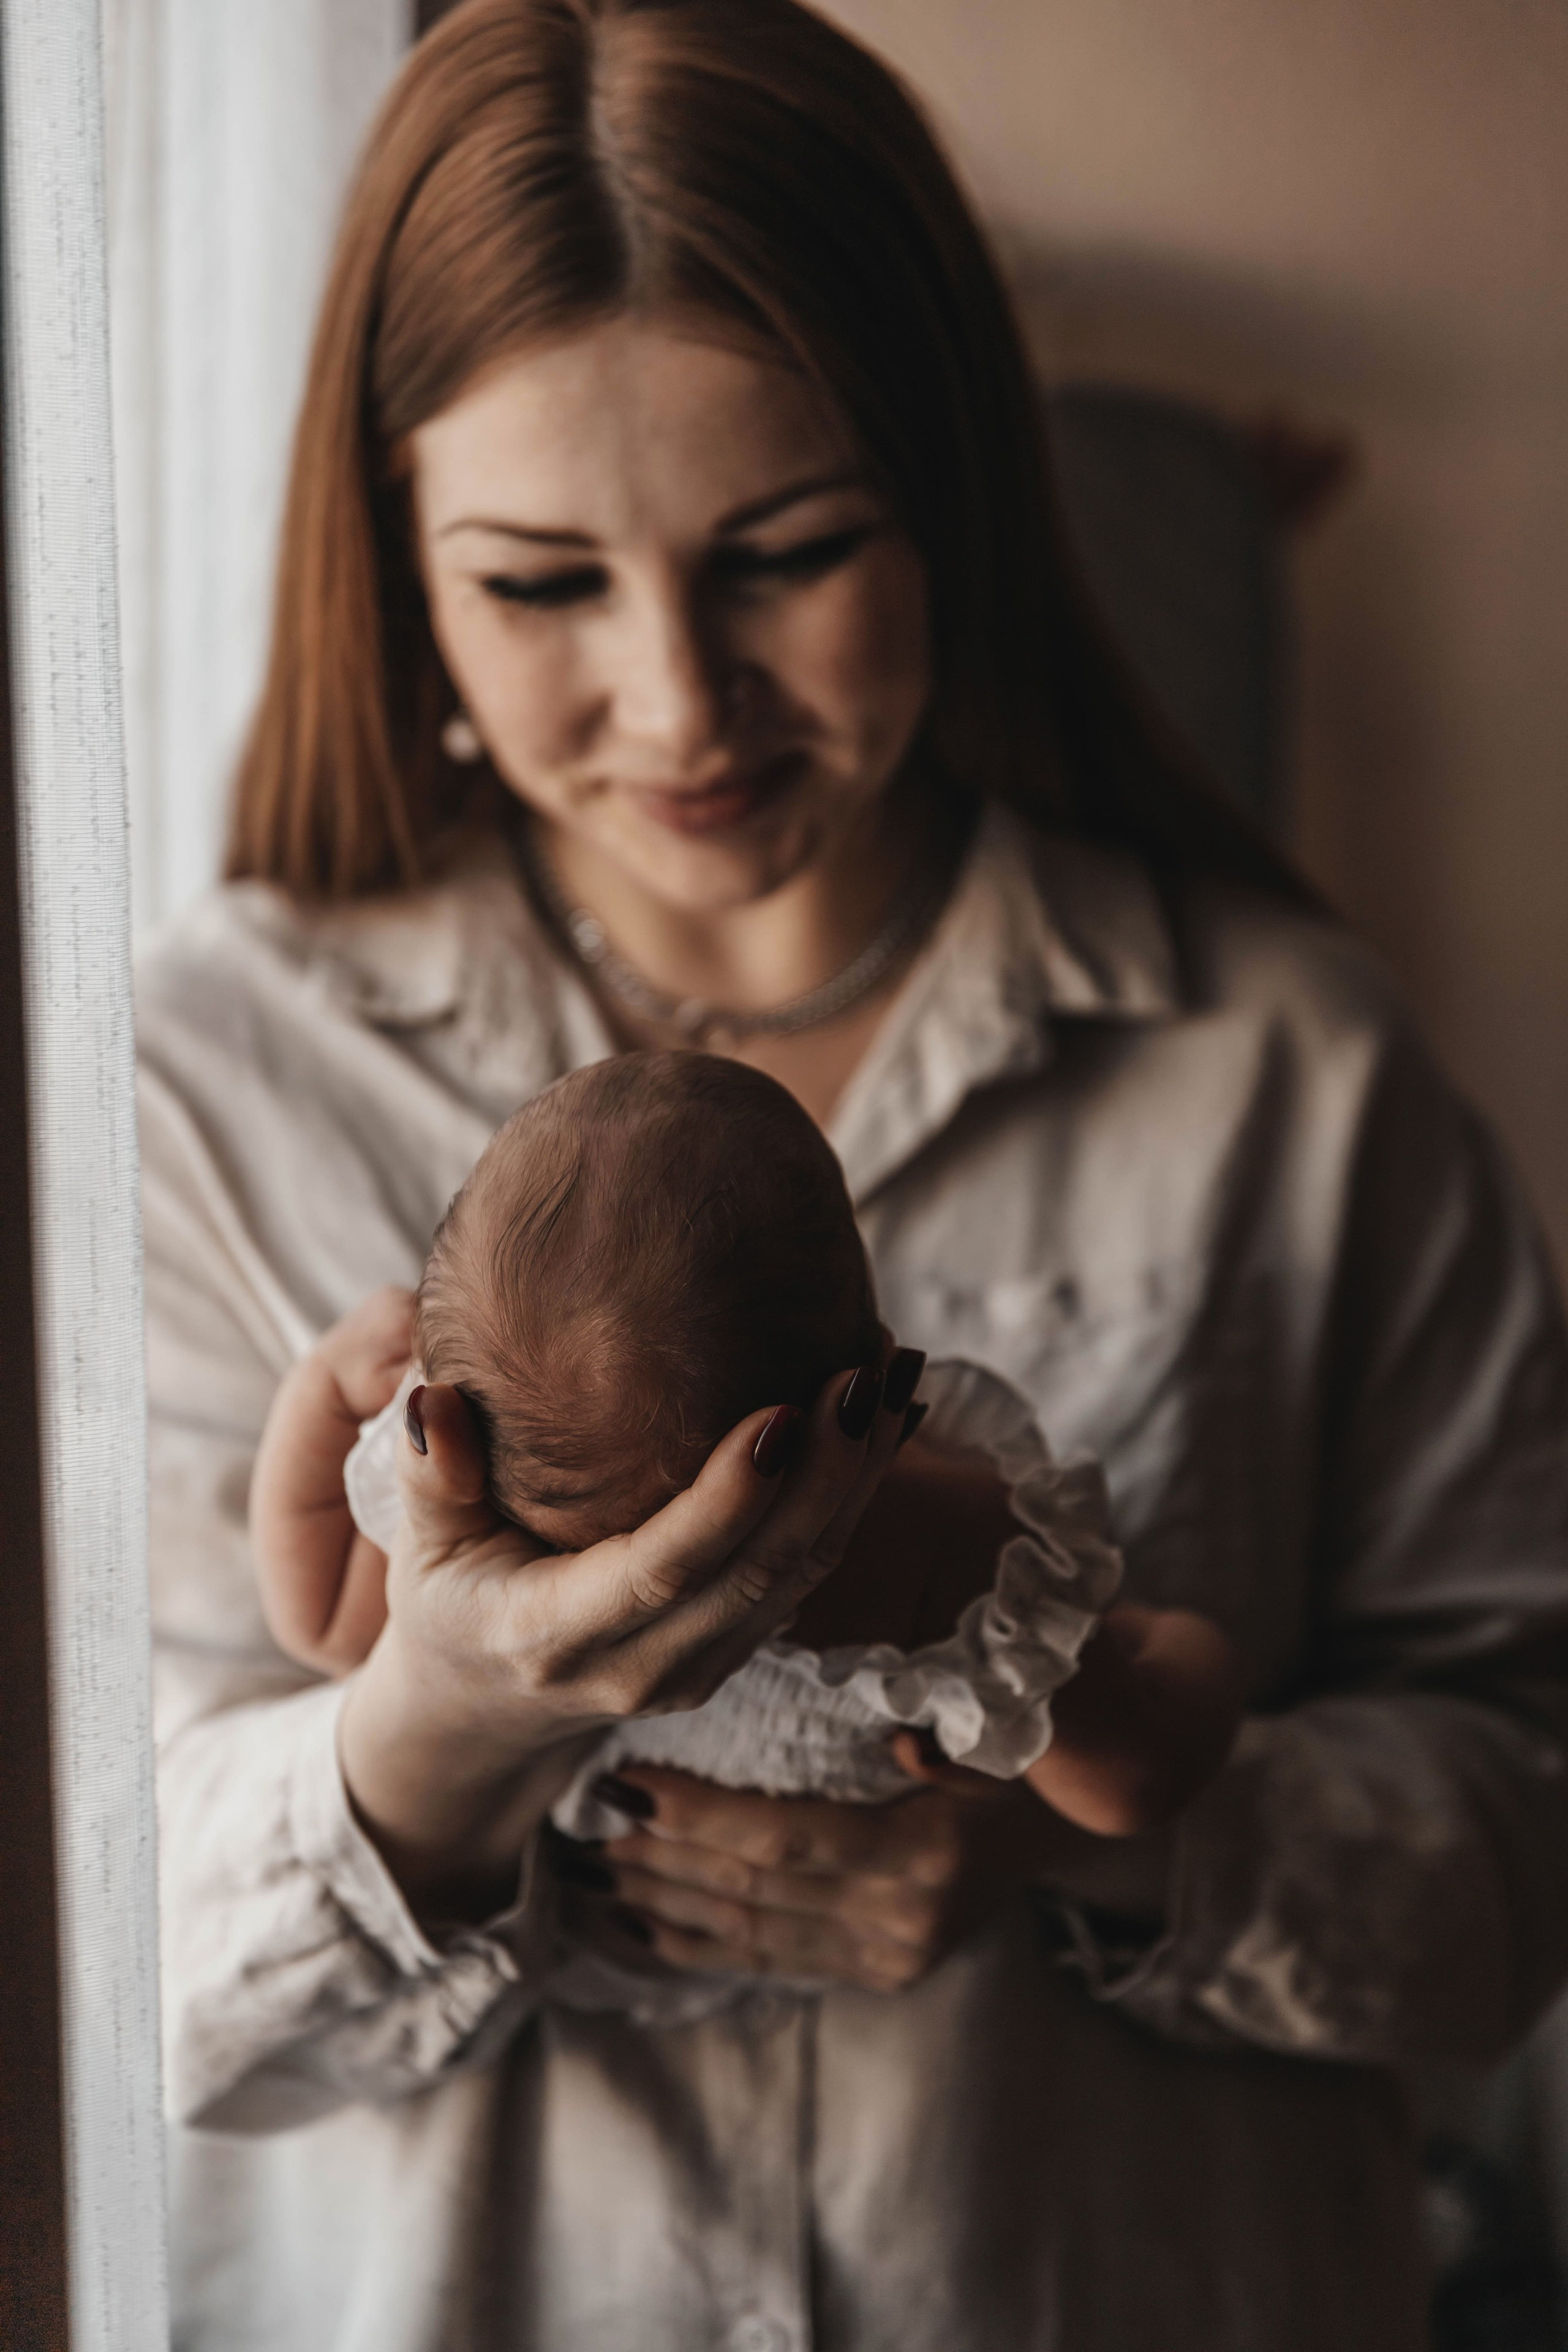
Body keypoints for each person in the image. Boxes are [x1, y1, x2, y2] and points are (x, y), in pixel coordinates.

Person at [138, 1, 1568, 2345]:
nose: (683, 709)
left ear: (956, 497)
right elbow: (124, 1977)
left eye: (786, 550)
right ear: (397, 556)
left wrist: (1087, 1840)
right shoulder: (221, 1078)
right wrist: (443, 1739)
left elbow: (1520, 1836)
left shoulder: (1283, 1073)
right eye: (541, 587)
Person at [249, 1049, 1242, 1888]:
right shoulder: (936, 1546)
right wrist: (1187, 1648)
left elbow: (324, 1631)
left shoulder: (471, 1513)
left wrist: (317, 1398)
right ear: (868, 1369)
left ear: (442, 1383)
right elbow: (1135, 1787)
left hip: (600, 1953)